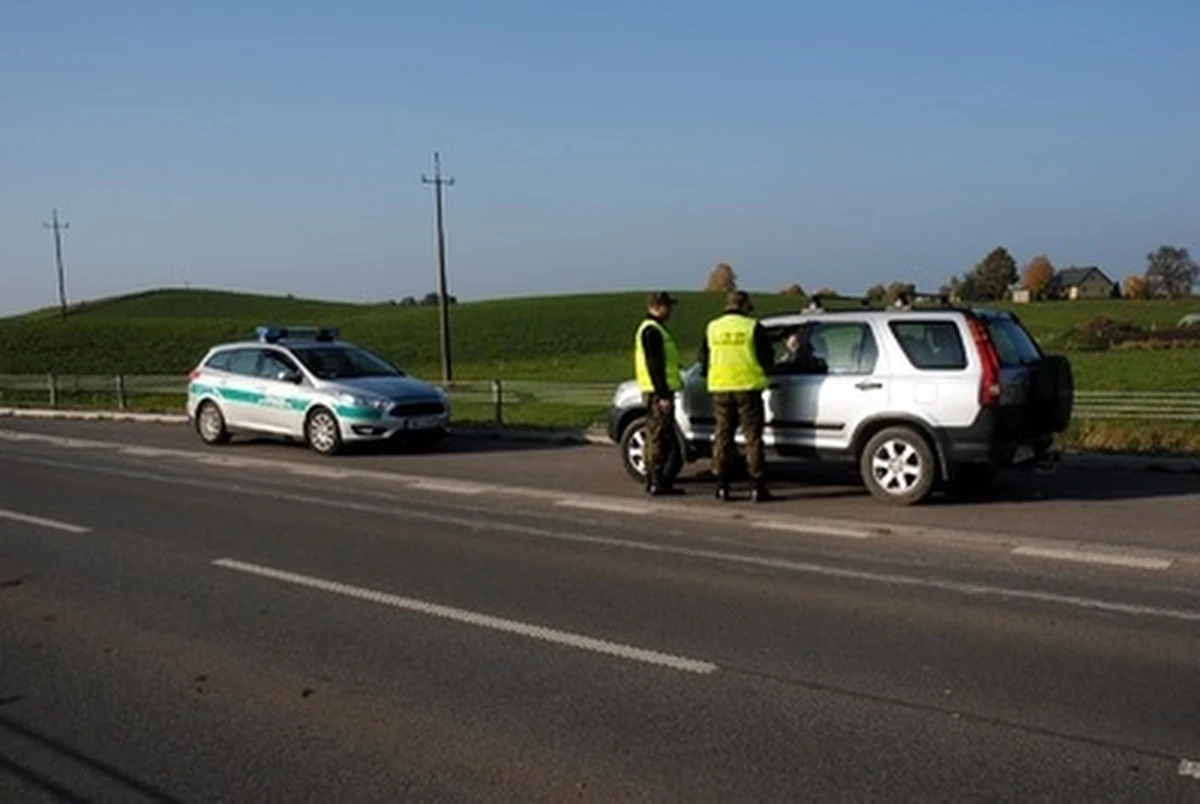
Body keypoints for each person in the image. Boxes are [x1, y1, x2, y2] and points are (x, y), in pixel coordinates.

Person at [698, 290, 775, 502]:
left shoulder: (712, 327)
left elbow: (704, 362)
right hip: (747, 388)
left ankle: (722, 485)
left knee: (723, 436)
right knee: (752, 437)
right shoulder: (752, 327)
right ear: (744, 305)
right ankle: (757, 486)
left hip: (721, 388)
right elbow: (767, 358)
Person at [633, 291, 684, 496]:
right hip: (657, 392)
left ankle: (656, 479)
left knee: (659, 435)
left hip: (658, 390)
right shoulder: (651, 331)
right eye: (667, 306)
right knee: (658, 436)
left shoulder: (655, 329)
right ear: (658, 307)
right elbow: (654, 364)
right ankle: (656, 480)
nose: (670, 310)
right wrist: (662, 394)